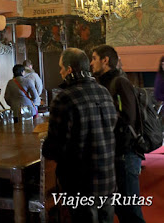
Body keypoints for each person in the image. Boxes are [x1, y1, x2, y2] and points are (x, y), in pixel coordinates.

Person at [42, 48, 117, 223]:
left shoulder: (64, 98)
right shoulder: (104, 92)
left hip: (80, 182)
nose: (60, 72)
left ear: (69, 70)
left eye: (61, 68)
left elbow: (53, 148)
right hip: (107, 176)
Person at [91, 45, 145, 223]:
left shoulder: (119, 82)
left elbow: (128, 119)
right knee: (121, 209)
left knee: (131, 211)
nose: (91, 63)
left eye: (94, 58)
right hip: (115, 154)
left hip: (125, 154)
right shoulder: (104, 83)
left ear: (105, 60)